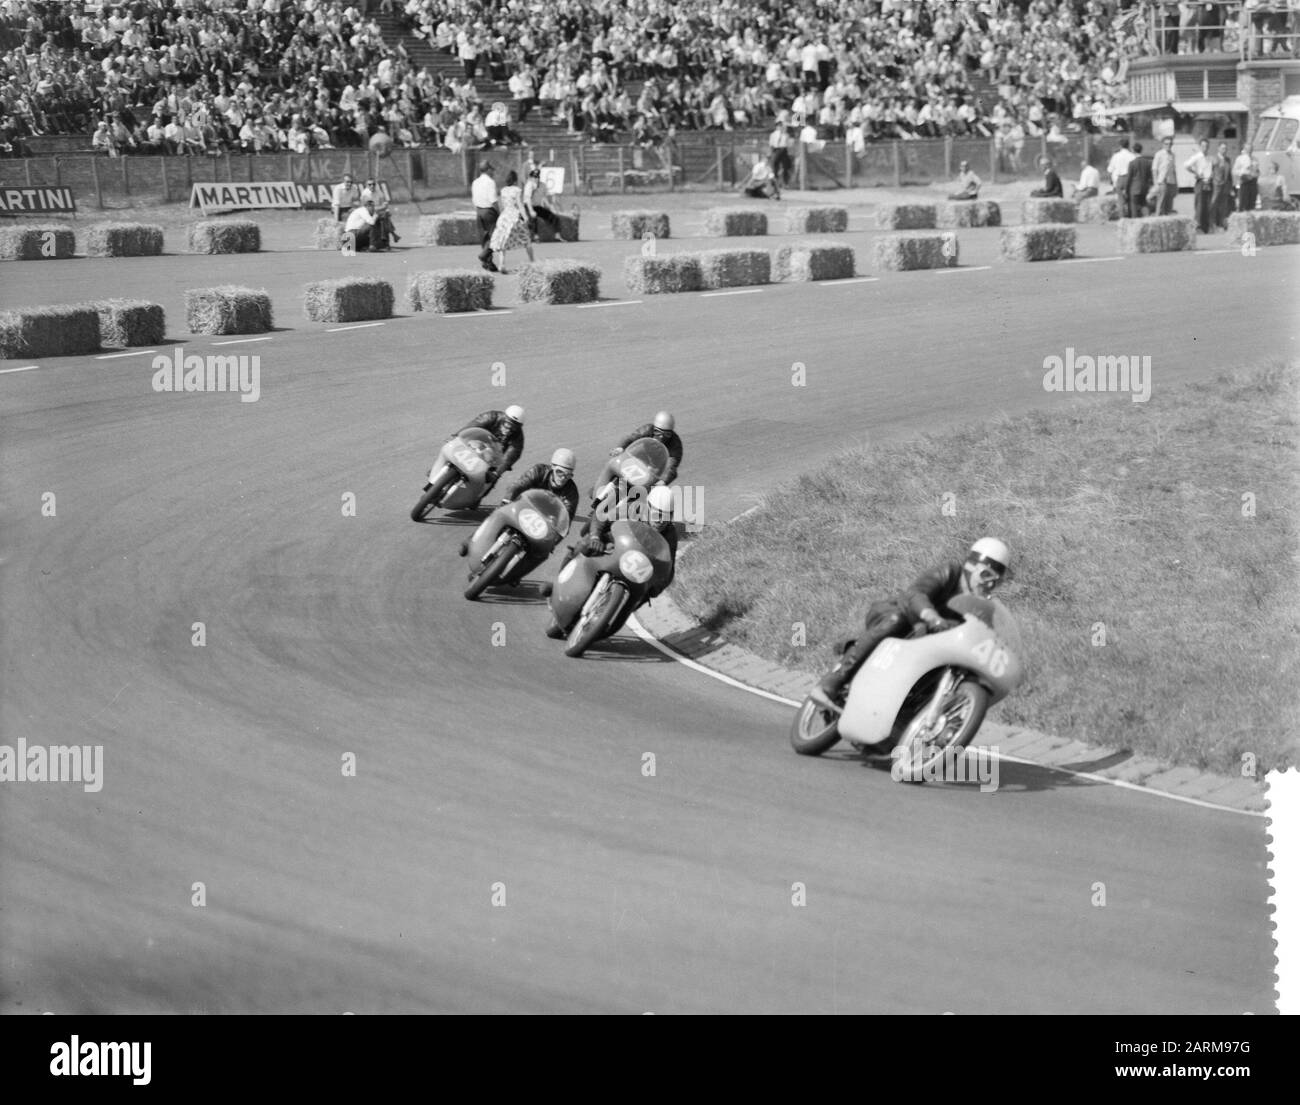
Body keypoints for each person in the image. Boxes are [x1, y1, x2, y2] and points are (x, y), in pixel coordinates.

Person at [809, 538, 1012, 711]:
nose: (989, 584)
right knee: (896, 621)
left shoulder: (984, 607)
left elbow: (981, 634)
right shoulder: (951, 572)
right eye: (986, 575)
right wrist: (931, 616)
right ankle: (834, 681)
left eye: (996, 581)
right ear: (970, 566)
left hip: (930, 642)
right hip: (900, 614)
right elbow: (915, 594)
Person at [546, 484, 679, 637]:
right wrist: (596, 536)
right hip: (613, 546)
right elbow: (602, 516)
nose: (661, 520)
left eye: (666, 516)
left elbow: (669, 567)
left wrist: (656, 587)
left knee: (645, 594)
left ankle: (608, 622)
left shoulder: (670, 534)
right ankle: (558, 584)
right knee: (585, 543)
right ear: (648, 507)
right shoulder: (632, 508)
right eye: (658, 514)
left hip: (637, 568)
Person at [461, 448, 580, 578]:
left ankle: (517, 574)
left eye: (568, 475)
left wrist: (553, 541)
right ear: (552, 467)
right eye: (560, 472)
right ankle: (474, 538)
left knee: (542, 553)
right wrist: (507, 500)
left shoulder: (571, 492)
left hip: (542, 523)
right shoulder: (539, 470)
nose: (563, 478)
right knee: (499, 512)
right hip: (522, 507)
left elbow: (566, 521)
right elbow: (518, 485)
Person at [454, 405, 526, 503]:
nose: (509, 429)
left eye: (513, 428)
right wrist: (456, 436)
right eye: (507, 424)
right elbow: (472, 426)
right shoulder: (491, 416)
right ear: (504, 418)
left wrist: (496, 473)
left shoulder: (518, 438)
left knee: (491, 478)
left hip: (494, 457)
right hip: (476, 443)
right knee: (453, 447)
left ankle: (477, 497)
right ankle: (439, 472)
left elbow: (510, 457)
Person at [608, 411, 683, 485]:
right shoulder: (647, 429)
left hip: (657, 467)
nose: (661, 436)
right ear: (654, 429)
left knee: (649, 487)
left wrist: (663, 482)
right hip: (643, 454)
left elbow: (671, 468)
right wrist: (620, 448)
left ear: (671, 433)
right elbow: (631, 438)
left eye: (667, 434)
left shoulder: (675, 444)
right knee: (620, 463)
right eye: (658, 432)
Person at [489, 170, 534, 273]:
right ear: (515, 180)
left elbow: (503, 204)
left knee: (503, 241)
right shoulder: (517, 190)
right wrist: (525, 217)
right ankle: (533, 262)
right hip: (514, 217)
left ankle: (502, 264)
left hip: (504, 217)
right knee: (526, 239)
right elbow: (520, 205)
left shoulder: (503, 190)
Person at [471, 162, 499, 272]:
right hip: (489, 211)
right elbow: (493, 199)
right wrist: (499, 212)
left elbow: (474, 199)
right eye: (491, 169)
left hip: (479, 210)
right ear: (487, 170)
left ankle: (488, 262)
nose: (493, 171)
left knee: (485, 238)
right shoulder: (490, 182)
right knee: (496, 236)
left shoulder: (475, 182)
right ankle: (484, 255)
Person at [1184, 137, 1214, 233]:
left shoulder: (1209, 157)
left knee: (1208, 204)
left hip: (1209, 182)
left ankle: (1206, 226)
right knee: (1199, 205)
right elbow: (1186, 165)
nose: (1205, 147)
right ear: (1200, 147)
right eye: (1203, 146)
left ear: (1208, 147)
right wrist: (1195, 172)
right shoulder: (1197, 156)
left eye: (1206, 146)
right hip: (1200, 182)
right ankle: (1198, 226)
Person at [523, 166, 559, 241]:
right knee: (533, 218)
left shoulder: (543, 185)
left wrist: (550, 208)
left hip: (537, 207)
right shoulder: (529, 185)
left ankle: (556, 235)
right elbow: (527, 199)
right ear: (531, 177)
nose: (536, 179)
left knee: (552, 216)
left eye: (537, 177)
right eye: (534, 177)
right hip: (528, 206)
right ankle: (535, 236)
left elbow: (544, 198)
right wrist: (531, 211)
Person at [1107, 137, 1135, 217]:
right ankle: (1130, 216)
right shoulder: (1132, 156)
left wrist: (1111, 180)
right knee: (1130, 198)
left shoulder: (1116, 156)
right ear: (1128, 145)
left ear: (1120, 146)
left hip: (1119, 178)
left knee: (1120, 200)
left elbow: (1110, 169)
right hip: (1129, 178)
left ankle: (1122, 217)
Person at [1209, 142, 1233, 230]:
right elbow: (1210, 171)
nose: (1224, 150)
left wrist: (1231, 187)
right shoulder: (1214, 159)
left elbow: (1229, 174)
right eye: (1222, 148)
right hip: (1216, 186)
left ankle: (1222, 223)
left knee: (1224, 206)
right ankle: (1212, 223)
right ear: (1218, 149)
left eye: (1225, 148)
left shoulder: (1228, 160)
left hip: (1225, 186)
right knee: (1213, 204)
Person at [1152, 136, 1178, 216]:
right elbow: (1154, 169)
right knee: (1161, 202)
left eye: (1170, 144)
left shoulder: (1172, 155)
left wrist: (1176, 184)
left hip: (1171, 181)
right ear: (1163, 144)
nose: (1168, 145)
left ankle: (1167, 218)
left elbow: (1174, 170)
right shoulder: (1159, 154)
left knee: (1169, 204)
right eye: (1166, 144)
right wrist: (1156, 183)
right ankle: (1158, 218)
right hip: (1162, 181)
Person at [1127, 141, 1154, 217]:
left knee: (1134, 206)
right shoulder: (1148, 162)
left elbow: (1129, 178)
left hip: (1134, 188)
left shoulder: (1132, 163)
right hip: (1144, 187)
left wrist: (1126, 189)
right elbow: (1150, 176)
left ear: (1133, 150)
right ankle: (1147, 217)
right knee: (1144, 204)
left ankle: (1135, 222)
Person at [1232, 142, 1260, 213]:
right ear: (1244, 149)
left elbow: (1258, 171)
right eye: (1247, 149)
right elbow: (1234, 171)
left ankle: (1251, 216)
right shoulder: (1240, 158)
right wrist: (1243, 172)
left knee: (1252, 202)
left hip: (1253, 182)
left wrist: (1257, 173)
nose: (1249, 150)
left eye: (1251, 149)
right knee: (1243, 202)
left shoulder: (1255, 159)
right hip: (1244, 181)